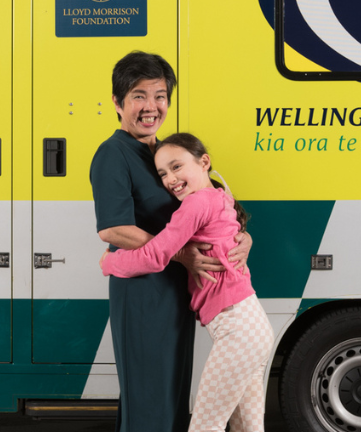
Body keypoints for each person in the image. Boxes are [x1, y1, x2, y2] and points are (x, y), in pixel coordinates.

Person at [89, 51, 252, 432]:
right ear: (117, 102)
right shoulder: (112, 154)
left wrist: (243, 238)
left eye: (160, 95)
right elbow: (112, 230)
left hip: (176, 291)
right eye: (139, 96)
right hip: (143, 294)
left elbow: (210, 205)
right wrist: (183, 255)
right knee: (149, 398)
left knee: (172, 397)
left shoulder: (166, 153)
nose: (151, 107)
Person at [100, 133, 274, 432]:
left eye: (177, 166)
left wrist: (110, 262)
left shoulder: (195, 204)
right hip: (253, 327)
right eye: (163, 174)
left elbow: (156, 255)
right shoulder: (221, 195)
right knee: (248, 428)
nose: (171, 179)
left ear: (204, 161)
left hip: (238, 331)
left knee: (206, 426)